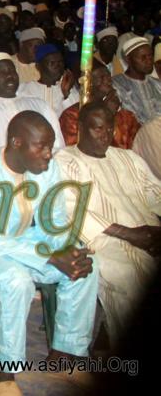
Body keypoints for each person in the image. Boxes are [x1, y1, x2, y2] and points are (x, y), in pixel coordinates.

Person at [0, 111, 99, 394]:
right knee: (14, 279)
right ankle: (2, 374)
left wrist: (66, 250)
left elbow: (52, 221)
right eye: (40, 146)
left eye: (50, 146)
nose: (48, 154)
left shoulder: (46, 169)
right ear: (16, 143)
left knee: (85, 265)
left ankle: (65, 356)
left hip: (19, 238)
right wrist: (48, 256)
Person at [56, 103, 161, 343]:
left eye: (110, 129)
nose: (105, 136)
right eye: (97, 129)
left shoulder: (128, 158)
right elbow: (72, 209)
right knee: (132, 275)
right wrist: (131, 235)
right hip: (106, 240)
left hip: (150, 234)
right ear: (81, 128)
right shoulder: (66, 160)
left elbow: (156, 194)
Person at [59, 60, 141, 148]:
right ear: (87, 84)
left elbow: (137, 147)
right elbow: (80, 151)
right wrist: (107, 115)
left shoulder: (125, 116)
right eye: (101, 78)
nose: (108, 81)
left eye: (108, 76)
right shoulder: (72, 116)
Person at [16, 44, 79, 117]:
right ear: (38, 66)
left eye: (60, 62)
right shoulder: (24, 89)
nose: (58, 66)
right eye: (52, 63)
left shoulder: (70, 90)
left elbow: (75, 118)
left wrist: (66, 95)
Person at [112, 37, 161, 123]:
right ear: (127, 59)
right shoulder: (116, 85)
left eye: (150, 56)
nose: (149, 61)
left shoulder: (158, 84)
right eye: (142, 57)